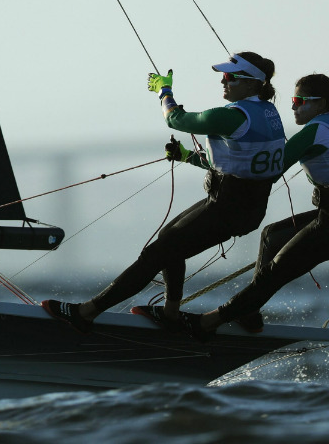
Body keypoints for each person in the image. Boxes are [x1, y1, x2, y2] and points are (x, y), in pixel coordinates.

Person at [42, 52, 286, 333]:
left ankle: (86, 313)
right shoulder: (268, 114)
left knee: (155, 254)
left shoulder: (232, 116)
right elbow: (240, 162)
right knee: (167, 238)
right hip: (243, 205)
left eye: (230, 77)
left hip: (228, 208)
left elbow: (176, 119)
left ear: (252, 83)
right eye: (223, 76)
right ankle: (170, 313)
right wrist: (186, 156)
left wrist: (164, 91)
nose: (223, 81)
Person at [188, 73, 329, 334]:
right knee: (272, 236)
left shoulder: (317, 131)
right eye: (293, 101)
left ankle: (208, 323)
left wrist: (198, 160)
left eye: (299, 101)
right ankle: (248, 312)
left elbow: (267, 170)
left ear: (320, 103)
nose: (293, 106)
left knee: (274, 273)